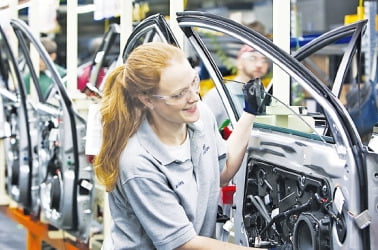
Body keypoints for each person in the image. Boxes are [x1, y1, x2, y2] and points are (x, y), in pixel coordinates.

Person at [94, 42, 264, 249]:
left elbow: (222, 171)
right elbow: (182, 243)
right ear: (147, 99)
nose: (194, 97)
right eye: (178, 94)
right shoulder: (138, 162)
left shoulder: (199, 118)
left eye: (194, 82)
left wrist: (250, 112)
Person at [203, 44, 270, 127]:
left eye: (264, 60)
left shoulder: (269, 96)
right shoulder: (218, 96)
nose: (260, 65)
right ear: (239, 63)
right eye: (253, 58)